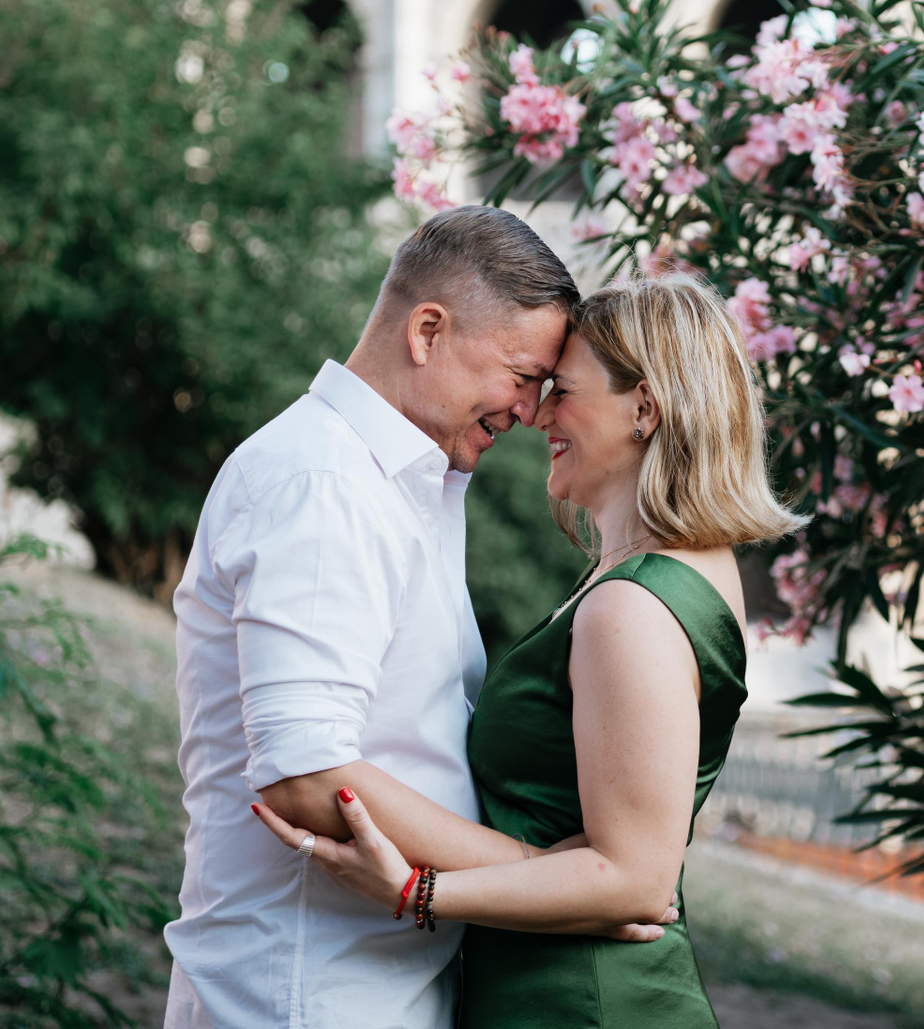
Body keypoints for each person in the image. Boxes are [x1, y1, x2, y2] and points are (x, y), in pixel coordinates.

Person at [255, 272, 807, 1028]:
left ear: (645, 408)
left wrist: (417, 891)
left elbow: (634, 880)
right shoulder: (655, 572)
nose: (538, 413)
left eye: (563, 391)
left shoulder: (633, 604)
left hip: (582, 1002)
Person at [165, 205, 648, 1029]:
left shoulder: (402, 485)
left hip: (372, 985)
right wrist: (540, 875)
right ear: (427, 331)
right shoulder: (323, 485)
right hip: (305, 993)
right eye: (521, 375)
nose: (530, 411)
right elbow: (306, 773)